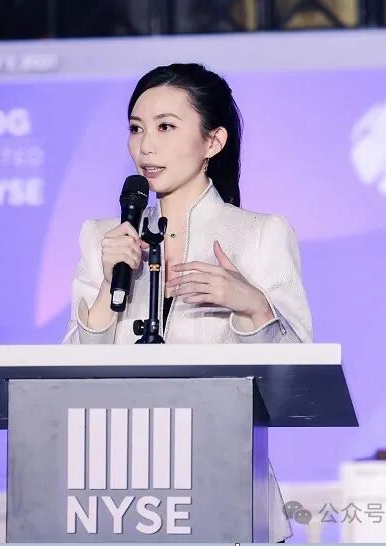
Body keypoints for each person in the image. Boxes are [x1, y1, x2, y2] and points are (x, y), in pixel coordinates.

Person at [62, 63, 312, 543]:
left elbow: (297, 383)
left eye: (166, 127)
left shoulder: (259, 234)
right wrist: (106, 292)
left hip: (227, 489)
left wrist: (252, 307)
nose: (145, 146)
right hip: (119, 496)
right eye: (136, 128)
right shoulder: (102, 239)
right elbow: (62, 385)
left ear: (213, 142)